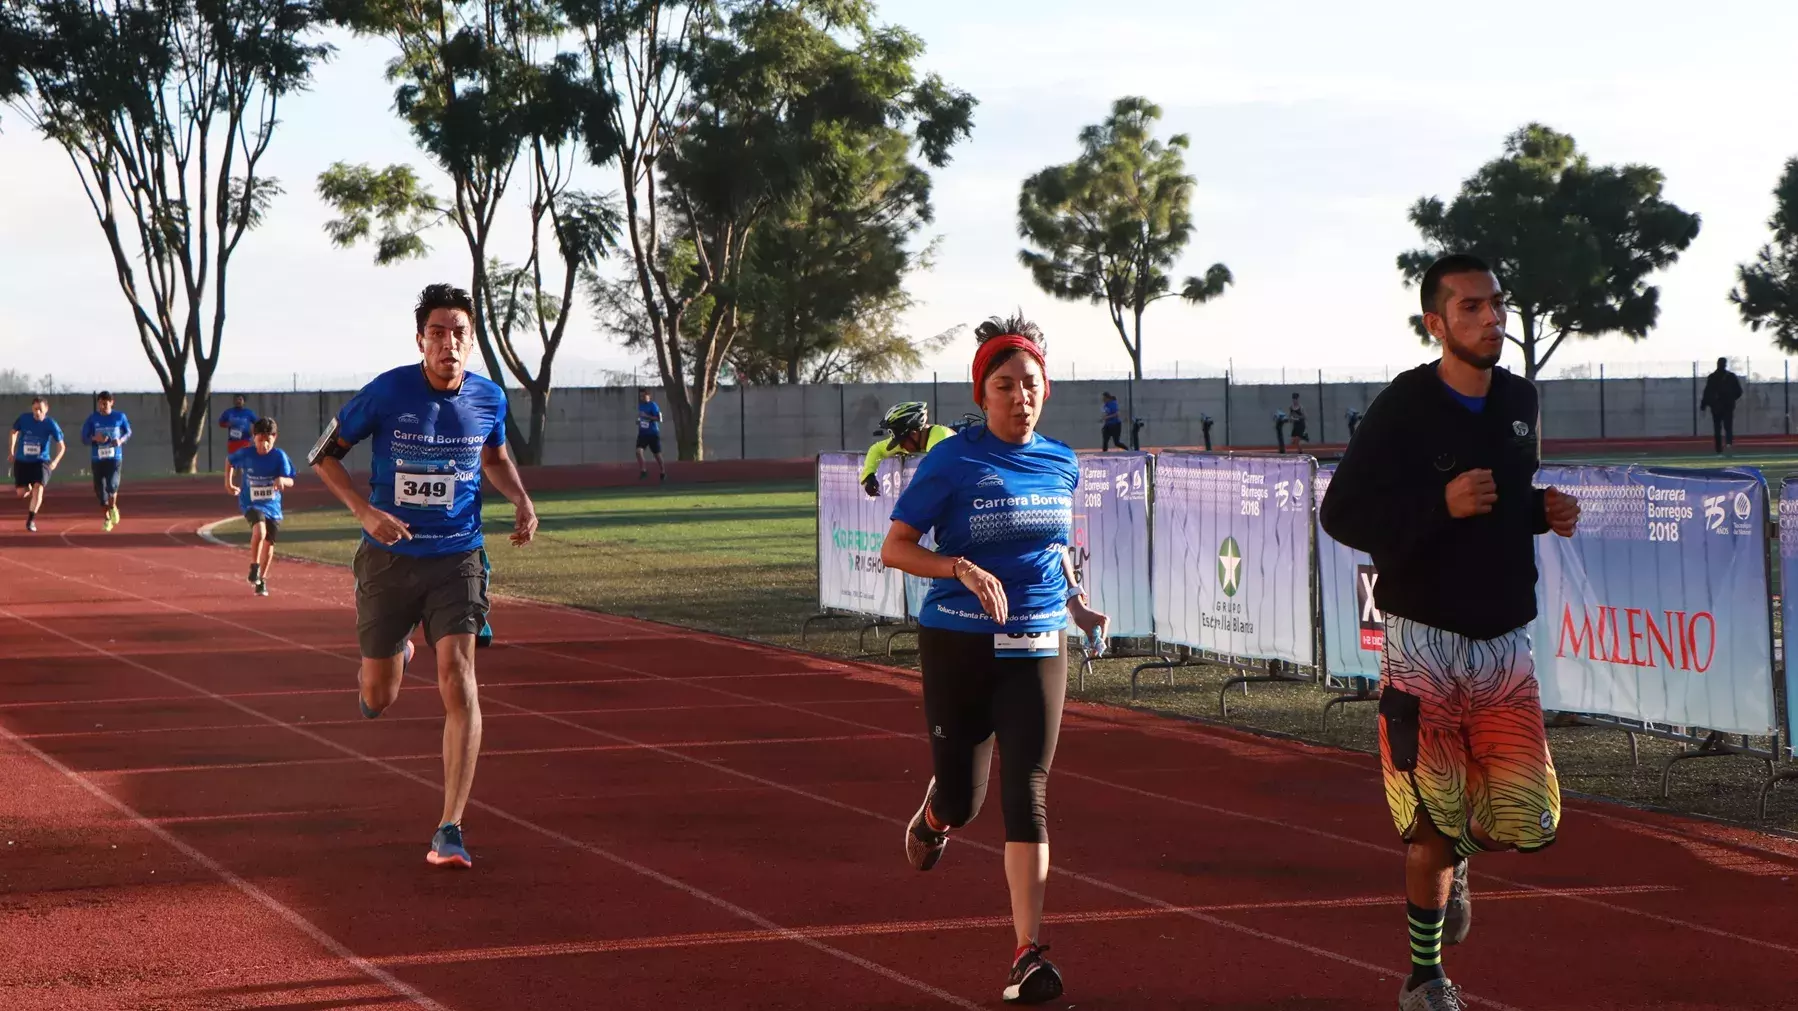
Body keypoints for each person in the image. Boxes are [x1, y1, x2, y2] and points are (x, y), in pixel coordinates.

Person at [1319, 254, 1580, 1011]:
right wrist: (1440, 502)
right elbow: (1341, 515)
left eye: (1496, 304)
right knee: (1431, 822)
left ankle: (1459, 857)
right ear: (1436, 322)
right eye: (1471, 308)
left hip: (1505, 641)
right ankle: (1424, 975)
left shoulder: (1520, 400)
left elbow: (1502, 503)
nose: (1491, 318)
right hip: (1422, 641)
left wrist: (1541, 511)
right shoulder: (1403, 405)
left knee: (1524, 819)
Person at [881, 314, 1109, 1006]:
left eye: (1030, 384)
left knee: (1028, 794)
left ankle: (1026, 954)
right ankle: (933, 816)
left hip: (1039, 641)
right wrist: (959, 568)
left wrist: (1076, 602)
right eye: (1004, 385)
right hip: (957, 642)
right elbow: (896, 547)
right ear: (982, 394)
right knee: (964, 798)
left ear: (1046, 389)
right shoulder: (951, 461)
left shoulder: (1061, 460)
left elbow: (1053, 548)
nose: (1019, 397)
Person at [309, 283, 538, 869]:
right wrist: (365, 512)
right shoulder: (387, 392)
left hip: (458, 557)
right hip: (389, 557)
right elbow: (322, 454)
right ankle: (395, 658)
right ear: (421, 340)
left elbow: (494, 457)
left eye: (459, 332)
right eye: (437, 332)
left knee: (459, 675)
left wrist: (521, 500)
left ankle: (450, 827)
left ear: (471, 340)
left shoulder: (489, 398)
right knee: (376, 696)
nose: (448, 343)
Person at [226, 418, 295, 596]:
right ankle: (254, 566)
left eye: (268, 440)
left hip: (272, 506)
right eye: (260, 440)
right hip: (251, 502)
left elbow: (291, 480)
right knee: (260, 531)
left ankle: (262, 580)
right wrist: (228, 483)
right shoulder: (246, 454)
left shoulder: (279, 456)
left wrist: (282, 480)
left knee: (269, 543)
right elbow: (230, 461)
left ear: (275, 438)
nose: (264, 445)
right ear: (254, 438)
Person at [859, 401, 954, 497]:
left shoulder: (940, 438)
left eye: (901, 441)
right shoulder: (908, 440)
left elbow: (936, 476)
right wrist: (869, 476)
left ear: (914, 433)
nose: (900, 447)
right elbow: (876, 449)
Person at [9, 397, 65, 533]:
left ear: (46, 410)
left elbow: (61, 446)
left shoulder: (51, 424)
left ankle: (31, 520)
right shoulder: (24, 419)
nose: (37, 412)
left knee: (38, 488)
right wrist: (11, 451)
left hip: (41, 461)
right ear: (32, 409)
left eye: (40, 409)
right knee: (21, 493)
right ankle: (28, 486)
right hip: (23, 461)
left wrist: (55, 462)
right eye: (35, 409)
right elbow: (13, 432)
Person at [80, 391, 131, 532]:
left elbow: (128, 432)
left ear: (111, 403)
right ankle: (107, 518)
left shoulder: (119, 417)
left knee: (112, 486)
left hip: (114, 458)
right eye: (100, 403)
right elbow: (84, 438)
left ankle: (113, 507)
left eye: (105, 403)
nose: (102, 406)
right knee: (100, 492)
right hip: (98, 459)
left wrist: (120, 440)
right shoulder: (92, 419)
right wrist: (96, 439)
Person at [1700, 357, 1743, 456]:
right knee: (1728, 426)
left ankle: (1718, 448)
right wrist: (1731, 399)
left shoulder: (1712, 377)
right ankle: (1728, 445)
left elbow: (1707, 392)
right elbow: (1739, 392)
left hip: (1716, 406)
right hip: (1727, 405)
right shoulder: (1731, 377)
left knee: (1717, 428)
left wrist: (1704, 405)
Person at [636, 389, 665, 481]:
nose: (642, 398)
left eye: (643, 396)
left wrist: (647, 416)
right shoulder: (640, 406)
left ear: (648, 396)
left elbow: (659, 419)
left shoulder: (653, 405)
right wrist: (639, 421)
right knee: (638, 451)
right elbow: (641, 417)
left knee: (657, 454)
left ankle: (663, 471)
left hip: (653, 433)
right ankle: (643, 470)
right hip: (643, 433)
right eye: (640, 396)